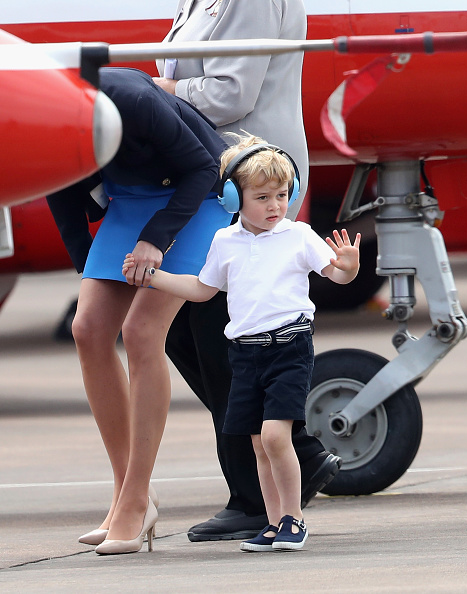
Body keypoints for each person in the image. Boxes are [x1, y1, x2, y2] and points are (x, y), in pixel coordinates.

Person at [153, 0, 342, 541]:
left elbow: (229, 94)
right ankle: (293, 452)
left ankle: (257, 499)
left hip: (249, 184)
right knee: (190, 332)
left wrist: (162, 92)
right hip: (212, 178)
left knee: (214, 334)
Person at [123, 135, 361, 551]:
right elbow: (202, 289)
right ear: (233, 198)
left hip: (289, 347)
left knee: (274, 437)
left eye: (282, 195)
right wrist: (154, 278)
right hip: (246, 353)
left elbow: (336, 275)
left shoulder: (299, 235)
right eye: (262, 197)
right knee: (257, 444)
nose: (275, 206)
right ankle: (273, 522)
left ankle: (294, 520)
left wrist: (350, 268)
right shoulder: (224, 241)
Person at [46, 66, 233, 555]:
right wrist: (85, 267)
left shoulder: (131, 99)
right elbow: (59, 189)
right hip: (127, 202)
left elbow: (204, 168)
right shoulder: (39, 115)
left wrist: (156, 238)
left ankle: (133, 500)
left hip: (193, 199)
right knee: (88, 329)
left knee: (141, 332)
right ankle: (129, 492)